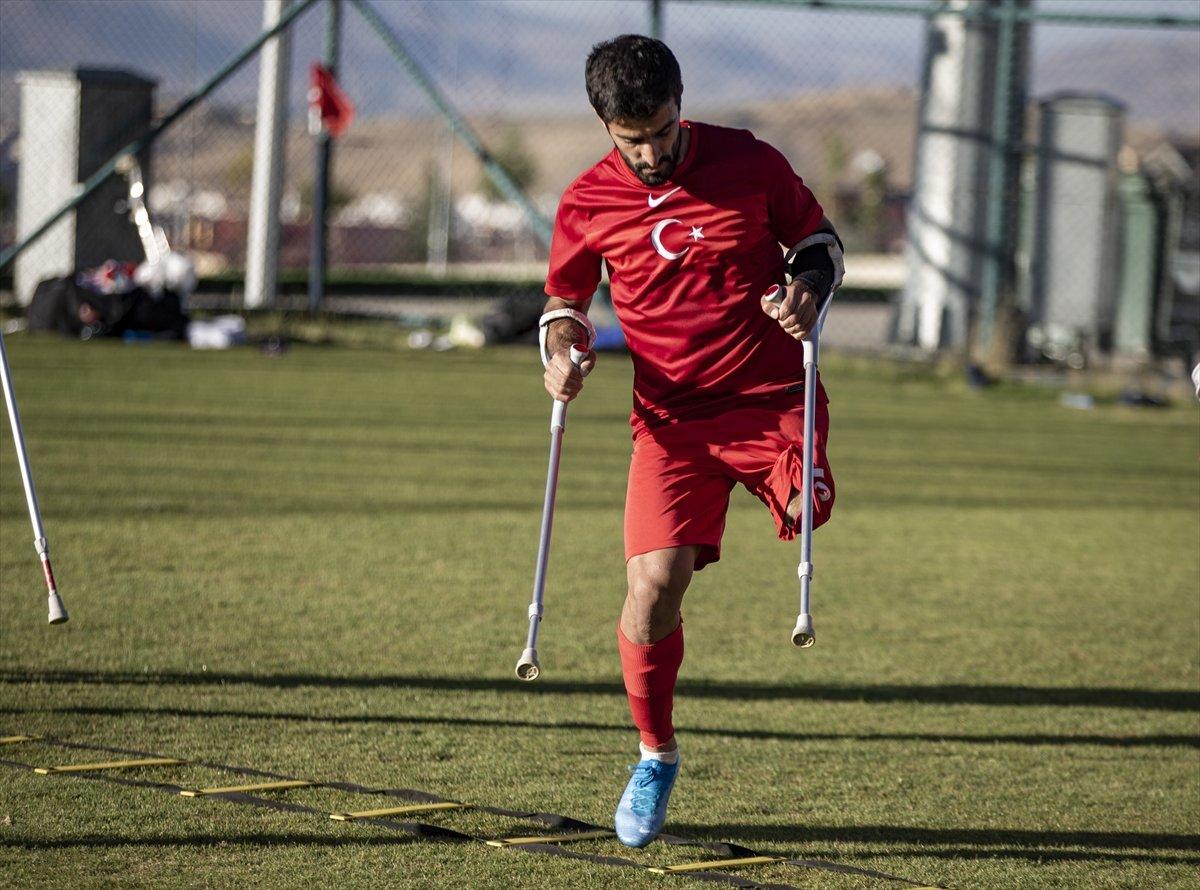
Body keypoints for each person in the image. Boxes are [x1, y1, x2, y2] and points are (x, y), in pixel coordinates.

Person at [539, 34, 843, 848]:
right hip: (671, 423)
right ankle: (655, 753)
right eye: (631, 138)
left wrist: (806, 290)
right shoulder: (587, 200)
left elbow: (821, 244)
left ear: (681, 103)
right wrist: (561, 354)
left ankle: (801, 480)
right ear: (605, 125)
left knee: (809, 509)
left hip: (774, 400)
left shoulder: (750, 161)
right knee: (651, 587)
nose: (650, 151)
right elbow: (564, 304)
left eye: (663, 130)